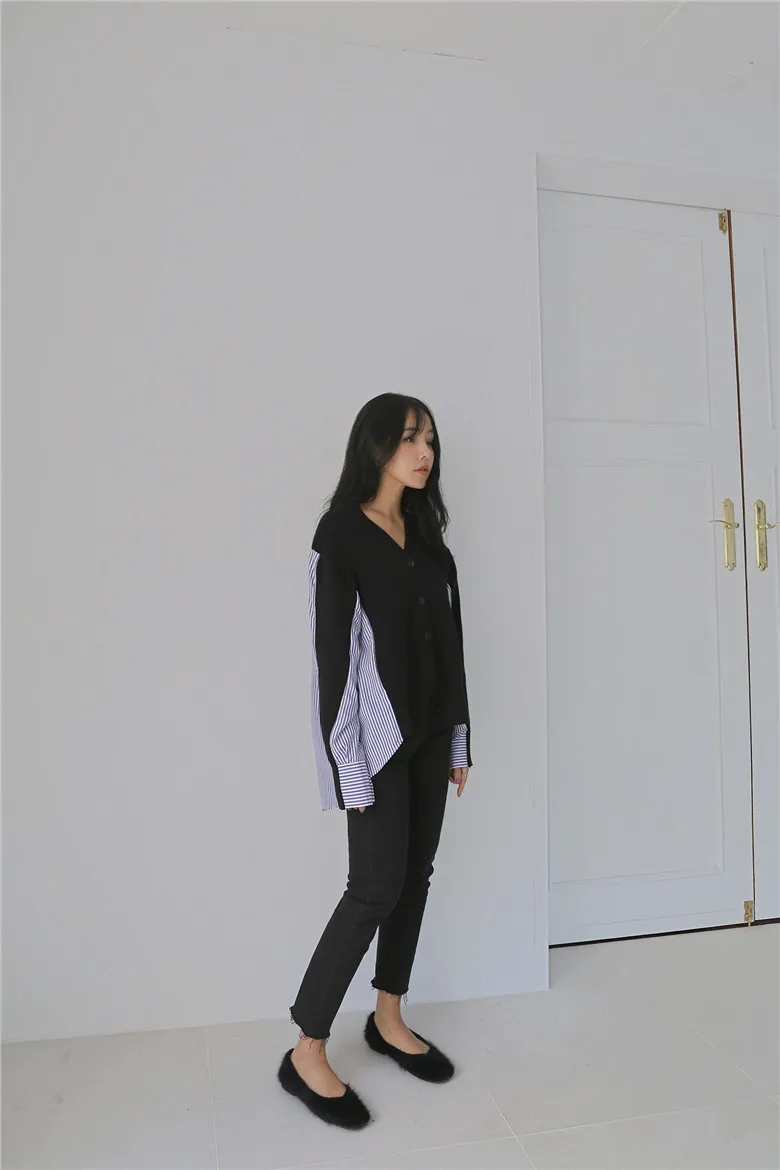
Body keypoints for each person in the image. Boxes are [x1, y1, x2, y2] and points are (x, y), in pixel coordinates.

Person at [277, 393, 473, 1130]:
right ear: (376, 446)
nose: (424, 453)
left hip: (430, 735)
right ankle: (307, 1046)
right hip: (377, 743)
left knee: (414, 877)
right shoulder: (340, 535)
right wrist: (347, 764)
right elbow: (333, 662)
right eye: (410, 439)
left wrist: (459, 738)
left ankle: (388, 1017)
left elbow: (451, 643)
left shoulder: (428, 537)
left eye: (431, 441)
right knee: (373, 888)